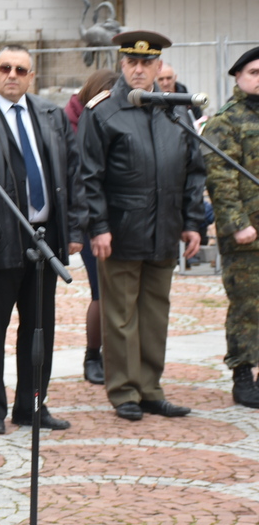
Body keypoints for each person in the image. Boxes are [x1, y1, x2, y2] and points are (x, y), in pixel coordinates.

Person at [79, 30, 207, 422]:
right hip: (120, 230)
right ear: (122, 64)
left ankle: (150, 388)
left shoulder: (176, 111)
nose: (139, 69)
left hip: (165, 228)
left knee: (155, 313)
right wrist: (98, 226)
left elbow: (193, 171)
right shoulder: (103, 111)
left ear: (158, 67)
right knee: (120, 315)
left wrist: (192, 222)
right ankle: (123, 392)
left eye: (147, 62)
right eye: (132, 62)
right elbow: (89, 176)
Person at [0, 45, 85, 435]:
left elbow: (73, 172)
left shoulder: (50, 114)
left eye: (22, 70)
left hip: (45, 241)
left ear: (32, 76)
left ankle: (32, 406)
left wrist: (75, 230)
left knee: (39, 328)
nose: (13, 75)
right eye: (6, 68)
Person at [203, 46, 259, 409]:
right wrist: (237, 225)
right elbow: (219, 178)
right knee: (247, 306)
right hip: (246, 235)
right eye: (254, 72)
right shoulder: (226, 120)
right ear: (238, 77)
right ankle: (243, 375)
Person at [65, 69, 117, 385]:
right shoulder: (72, 120)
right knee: (101, 291)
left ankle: (120, 356)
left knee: (121, 293)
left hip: (121, 217)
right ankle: (92, 355)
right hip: (90, 219)